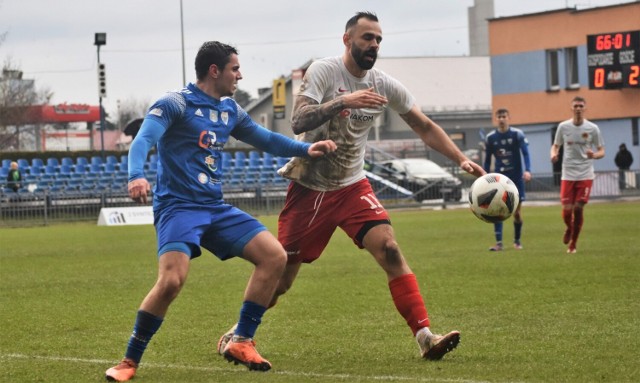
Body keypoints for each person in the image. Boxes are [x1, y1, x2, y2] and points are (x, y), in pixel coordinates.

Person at [217, 11, 485, 362]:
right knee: (281, 281)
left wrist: (459, 158)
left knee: (389, 249)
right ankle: (238, 333)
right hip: (310, 188)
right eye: (367, 38)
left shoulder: (384, 84)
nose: (374, 44)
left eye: (378, 39)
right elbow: (297, 119)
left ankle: (425, 337)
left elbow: (423, 125)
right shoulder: (325, 71)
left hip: (352, 186)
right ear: (347, 40)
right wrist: (344, 100)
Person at [105, 41, 337, 382]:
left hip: (214, 207)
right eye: (235, 69)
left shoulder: (229, 110)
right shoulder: (175, 103)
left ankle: (241, 339)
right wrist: (136, 175)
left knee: (275, 256)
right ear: (215, 71)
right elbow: (143, 140)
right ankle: (128, 362)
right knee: (171, 281)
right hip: (179, 208)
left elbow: (267, 140)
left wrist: (306, 148)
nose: (240, 75)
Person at [550, 96, 604, 254]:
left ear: (585, 108)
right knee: (567, 211)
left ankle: (573, 243)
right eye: (576, 106)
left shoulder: (593, 128)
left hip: (585, 174)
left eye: (581, 106)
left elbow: (602, 151)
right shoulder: (563, 127)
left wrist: (593, 155)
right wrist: (553, 154)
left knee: (578, 209)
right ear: (571, 108)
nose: (578, 108)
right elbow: (555, 146)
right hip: (567, 174)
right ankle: (570, 227)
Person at [483, 108, 532, 251]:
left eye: (504, 116)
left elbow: (526, 153)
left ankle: (517, 241)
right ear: (496, 119)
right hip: (500, 179)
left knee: (516, 212)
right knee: (497, 210)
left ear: (508, 118)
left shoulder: (517, 134)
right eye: (499, 117)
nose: (502, 119)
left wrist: (528, 170)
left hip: (516, 178)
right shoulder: (491, 138)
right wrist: (485, 175)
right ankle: (499, 243)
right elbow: (487, 160)